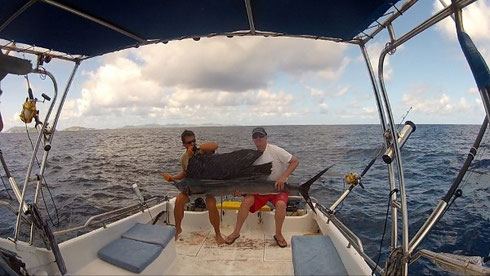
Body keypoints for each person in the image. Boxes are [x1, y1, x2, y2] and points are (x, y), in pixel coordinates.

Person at [225, 127, 299, 248]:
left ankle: (278, 234)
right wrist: (240, 192)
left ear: (266, 137)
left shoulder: (275, 150)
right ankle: (236, 232)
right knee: (246, 202)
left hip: (277, 188)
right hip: (259, 190)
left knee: (281, 204)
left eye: (261, 136)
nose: (258, 139)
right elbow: (248, 180)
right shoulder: (252, 157)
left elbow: (295, 161)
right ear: (253, 139)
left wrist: (284, 177)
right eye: (255, 137)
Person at [162, 130, 226, 244]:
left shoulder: (203, 151)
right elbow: (185, 174)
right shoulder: (184, 158)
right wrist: (172, 178)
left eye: (193, 141)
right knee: (179, 200)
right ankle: (178, 229)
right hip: (192, 188)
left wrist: (197, 148)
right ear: (183, 144)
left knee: (211, 203)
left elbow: (215, 145)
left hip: (206, 187)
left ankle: (218, 234)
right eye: (189, 142)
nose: (192, 144)